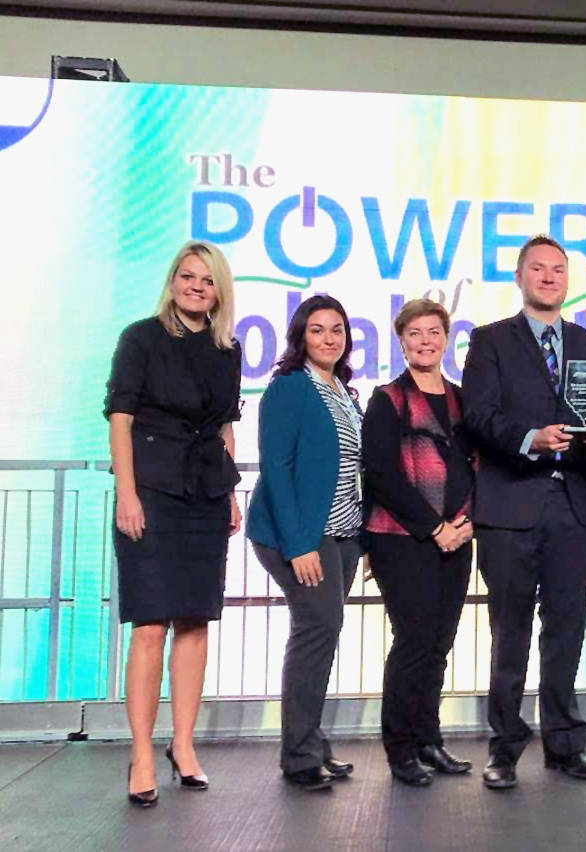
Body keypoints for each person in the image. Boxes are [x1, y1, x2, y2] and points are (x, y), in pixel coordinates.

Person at [461, 236, 586, 790]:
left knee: (568, 630)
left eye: (558, 270)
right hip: (510, 504)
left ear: (568, 280)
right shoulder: (490, 341)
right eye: (538, 269)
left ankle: (566, 745)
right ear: (519, 278)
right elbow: (478, 414)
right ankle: (504, 746)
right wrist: (531, 439)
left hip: (576, 509)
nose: (549, 277)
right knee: (510, 633)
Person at [106, 240, 242, 807]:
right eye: (187, 276)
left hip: (207, 492)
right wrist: (128, 494)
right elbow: (121, 418)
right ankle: (142, 752)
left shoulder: (226, 348)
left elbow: (225, 425)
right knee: (149, 626)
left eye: (206, 280)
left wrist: (231, 491)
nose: (194, 286)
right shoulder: (140, 337)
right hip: (153, 491)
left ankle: (182, 746)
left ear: (218, 291)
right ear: (173, 281)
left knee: (195, 622)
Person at [245, 294, 364, 793]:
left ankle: (311, 741)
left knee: (322, 636)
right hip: (299, 536)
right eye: (318, 330)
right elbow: (277, 468)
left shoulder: (343, 390)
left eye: (337, 329)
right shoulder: (289, 388)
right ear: (301, 337)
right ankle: (298, 757)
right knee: (317, 630)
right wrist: (299, 545)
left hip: (342, 535)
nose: (329, 338)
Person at [363, 298, 476, 787]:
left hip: (460, 534)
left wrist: (467, 523)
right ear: (401, 340)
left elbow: (476, 467)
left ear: (446, 338)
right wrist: (435, 528)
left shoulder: (462, 398)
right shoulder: (386, 399)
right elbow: (383, 476)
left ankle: (430, 740)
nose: (425, 341)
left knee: (439, 645)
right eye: (415, 333)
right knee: (412, 642)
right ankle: (402, 749)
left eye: (433, 332)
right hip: (403, 538)